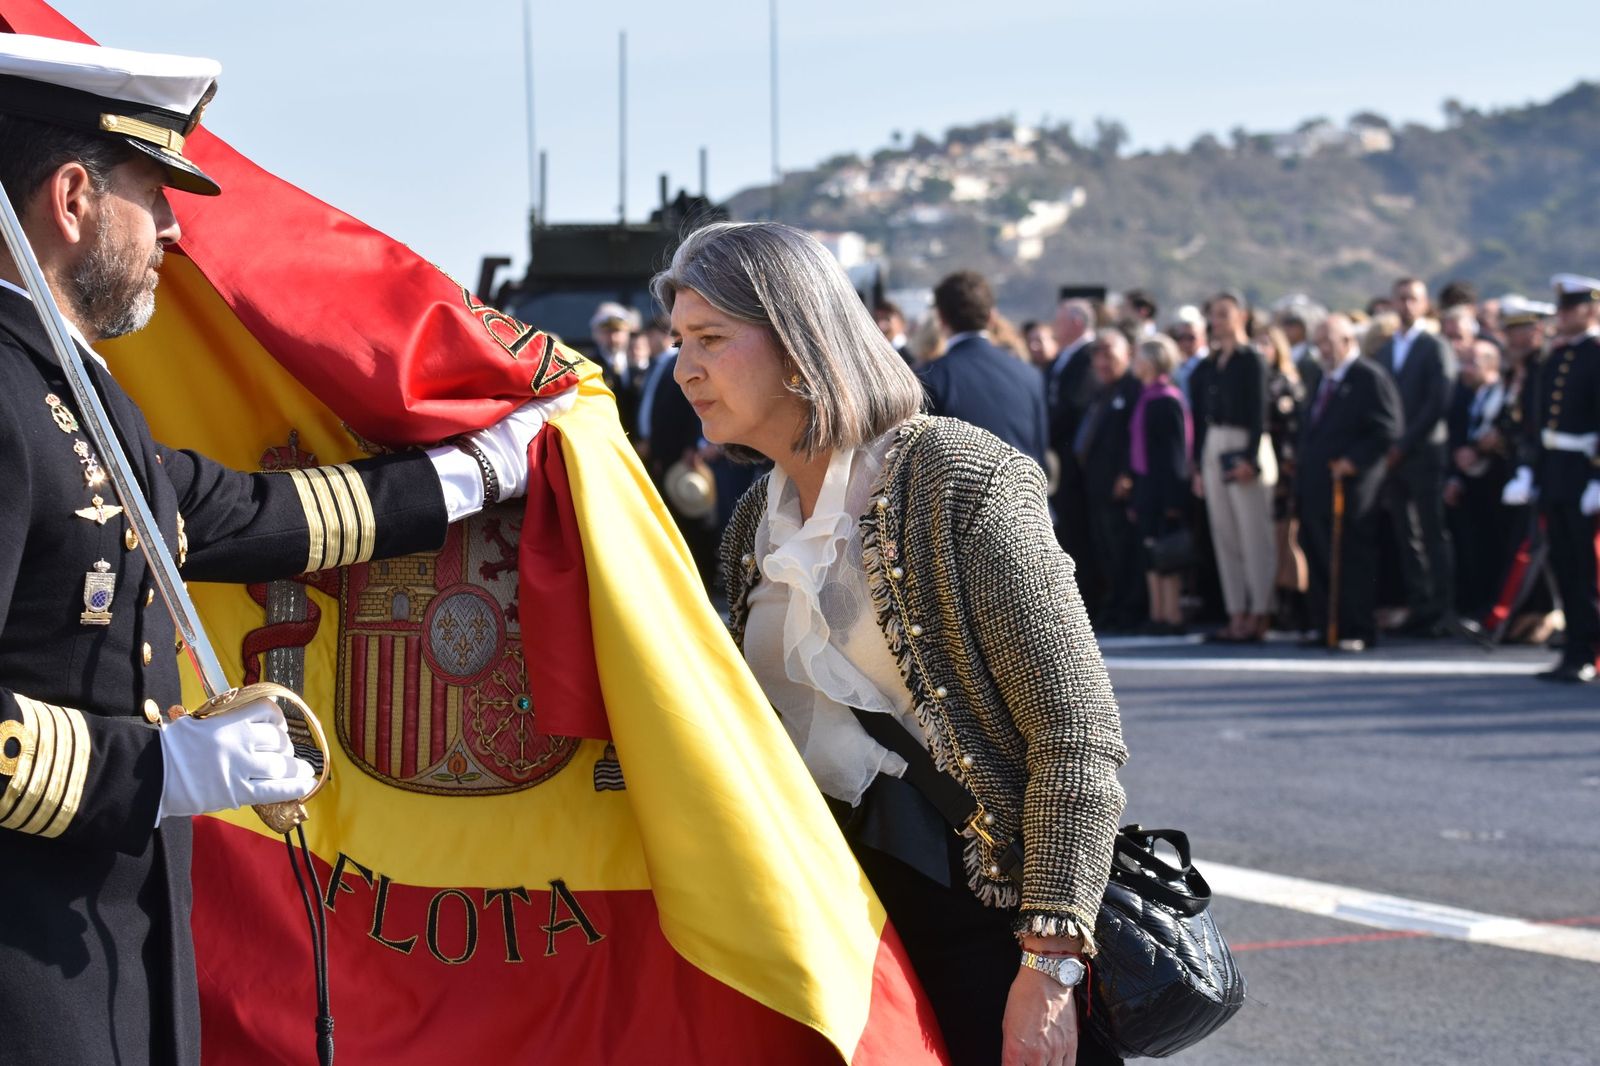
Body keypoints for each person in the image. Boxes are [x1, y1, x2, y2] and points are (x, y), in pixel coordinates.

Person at [0, 36, 571, 1065]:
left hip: (111, 951)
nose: (174, 230)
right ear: (75, 196)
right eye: (153, 193)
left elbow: (242, 514)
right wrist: (155, 768)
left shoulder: (73, 392)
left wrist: (480, 472)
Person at [657, 222, 1127, 1065]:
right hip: (838, 948)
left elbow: (1077, 736)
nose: (685, 368)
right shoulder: (748, 528)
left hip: (984, 934)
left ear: (801, 344)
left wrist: (1048, 968)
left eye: (711, 340)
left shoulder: (958, 479)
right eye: (679, 343)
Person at [1503, 275, 1600, 683]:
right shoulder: (1555, 358)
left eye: (1569, 307)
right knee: (1565, 566)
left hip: (1584, 471)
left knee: (1589, 568)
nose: (1561, 315)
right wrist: (1530, 469)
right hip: (1556, 471)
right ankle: (1576, 650)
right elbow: (1537, 419)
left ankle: (1591, 652)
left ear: (1592, 309)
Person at [1297, 315, 1404, 651]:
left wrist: (1353, 460)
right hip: (1317, 484)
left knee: (1352, 559)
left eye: (1328, 342)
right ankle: (1324, 624)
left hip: (1352, 488)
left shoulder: (1368, 377)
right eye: (1318, 343)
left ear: (1347, 341)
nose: (1322, 350)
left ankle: (1356, 627)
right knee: (1318, 554)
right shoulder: (1320, 378)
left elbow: (1388, 428)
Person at [1189, 292, 1277, 642]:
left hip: (1244, 443)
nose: (1217, 321)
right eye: (1213, 315)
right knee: (1225, 535)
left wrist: (1252, 458)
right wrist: (1197, 465)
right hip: (1214, 443)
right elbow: (1198, 418)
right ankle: (1236, 612)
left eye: (1224, 314)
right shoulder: (1207, 366)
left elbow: (1260, 412)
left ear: (1241, 316)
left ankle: (1261, 612)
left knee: (1254, 534)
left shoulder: (1252, 359)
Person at [1373, 277, 1457, 635]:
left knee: (1432, 532)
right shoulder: (1386, 350)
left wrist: (1404, 443)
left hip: (1424, 453)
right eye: (1400, 298)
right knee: (1406, 534)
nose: (1406, 305)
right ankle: (1419, 604)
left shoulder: (1435, 346)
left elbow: (1438, 401)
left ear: (1424, 305)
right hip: (1394, 457)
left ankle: (1442, 608)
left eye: (1413, 299)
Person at [918, 270, 1049, 469]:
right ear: (991, 317)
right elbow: (1040, 456)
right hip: (1024, 496)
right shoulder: (1030, 375)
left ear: (941, 319)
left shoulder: (931, 376)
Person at [1075, 332, 1145, 630]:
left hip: (1119, 484)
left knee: (1122, 550)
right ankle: (1114, 604)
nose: (1103, 362)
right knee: (1105, 548)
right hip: (1095, 482)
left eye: (1109, 354)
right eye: (1098, 355)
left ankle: (1128, 609)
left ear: (1127, 353)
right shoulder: (1102, 390)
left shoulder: (1133, 389)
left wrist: (1128, 473)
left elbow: (1137, 437)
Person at [1129, 335, 1191, 634]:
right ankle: (1157, 613)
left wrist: (1173, 501)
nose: (1134, 362)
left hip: (1164, 488)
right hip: (1147, 485)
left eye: (1140, 357)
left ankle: (1172, 614)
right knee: (1150, 551)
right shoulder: (1146, 396)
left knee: (1169, 554)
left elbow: (1175, 454)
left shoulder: (1167, 399)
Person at [1443, 339, 1509, 619]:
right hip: (1471, 482)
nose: (1465, 370)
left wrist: (1481, 448)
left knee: (1495, 548)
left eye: (1473, 363)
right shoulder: (1469, 396)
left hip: (1497, 483)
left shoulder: (1502, 394)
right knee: (1474, 548)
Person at [1257, 325, 1309, 631]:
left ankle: (1298, 603)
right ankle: (1281, 601)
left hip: (1284, 468)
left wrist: (1287, 470)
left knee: (1287, 537)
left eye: (1268, 343)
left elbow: (1293, 431)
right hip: (1265, 466)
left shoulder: (1286, 383)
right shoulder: (1259, 381)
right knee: (1272, 539)